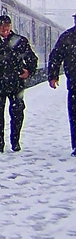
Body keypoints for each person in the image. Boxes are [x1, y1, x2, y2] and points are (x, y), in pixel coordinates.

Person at [0, 14, 38, 153]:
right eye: (1, 26)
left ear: (10, 26)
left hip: (16, 83)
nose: (4, 29)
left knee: (17, 112)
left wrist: (29, 71)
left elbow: (32, 58)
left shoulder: (20, 41)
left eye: (7, 26)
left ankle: (15, 141)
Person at [47, 12, 76, 157]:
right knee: (75, 115)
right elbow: (55, 56)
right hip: (74, 83)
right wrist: (53, 76)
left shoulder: (67, 37)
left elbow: (55, 56)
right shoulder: (67, 37)